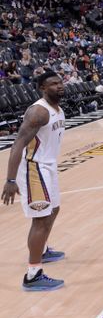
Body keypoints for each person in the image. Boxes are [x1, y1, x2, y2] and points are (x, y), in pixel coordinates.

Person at [2, 71, 66, 291]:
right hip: (33, 167)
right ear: (42, 88)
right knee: (41, 218)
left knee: (54, 209)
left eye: (60, 82)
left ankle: (43, 249)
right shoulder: (39, 112)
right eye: (53, 84)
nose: (59, 86)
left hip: (48, 165)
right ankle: (33, 274)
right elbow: (18, 143)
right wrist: (10, 179)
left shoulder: (57, 108)